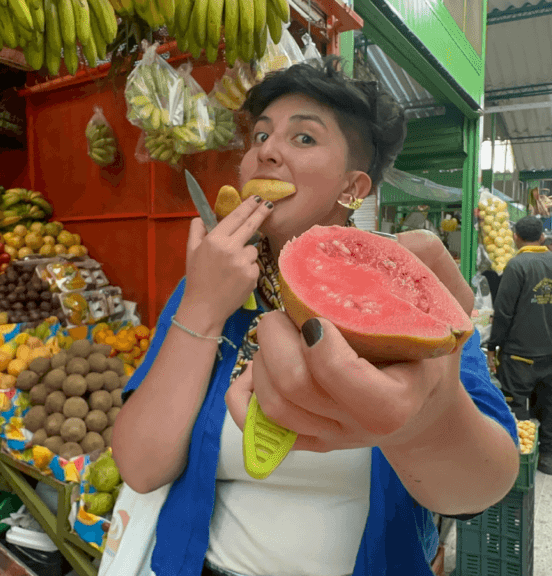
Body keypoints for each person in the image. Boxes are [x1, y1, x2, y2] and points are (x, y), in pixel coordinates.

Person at [111, 58, 520, 576]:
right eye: (259, 136)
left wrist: (426, 419)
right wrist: (201, 309)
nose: (266, 151)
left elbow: (480, 488)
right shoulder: (212, 285)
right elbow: (141, 468)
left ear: (353, 188)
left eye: (303, 139)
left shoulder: (400, 288)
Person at [487, 216, 552, 476]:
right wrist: (551, 334)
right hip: (547, 351)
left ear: (515, 237)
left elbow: (503, 312)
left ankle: (518, 457)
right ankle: (547, 457)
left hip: (518, 354)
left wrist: (493, 346)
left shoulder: (517, 265)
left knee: (516, 404)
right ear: (542, 238)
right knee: (548, 404)